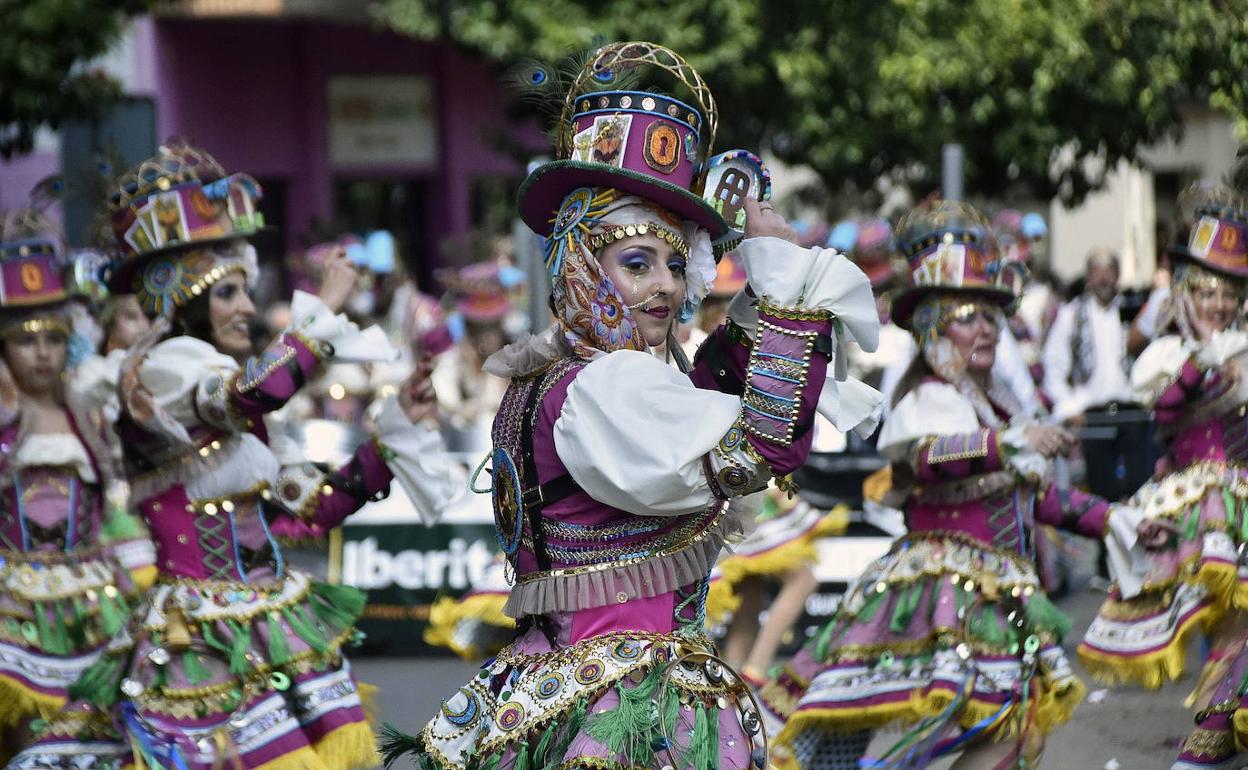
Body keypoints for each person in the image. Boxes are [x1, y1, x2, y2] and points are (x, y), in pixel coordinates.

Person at [380, 41, 882, 770]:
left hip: (557, 688)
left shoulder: (555, 376)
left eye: (677, 263)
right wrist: (791, 300)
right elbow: (753, 448)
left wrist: (757, 302)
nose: (667, 288)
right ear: (581, 265)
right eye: (637, 263)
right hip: (627, 703)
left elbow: (701, 397)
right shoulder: (601, 385)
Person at [9, 142, 458, 770]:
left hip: (270, 629)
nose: (246, 307)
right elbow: (262, 390)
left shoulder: (233, 420)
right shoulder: (162, 371)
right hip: (198, 640)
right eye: (228, 294)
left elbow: (309, 515)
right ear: (183, 300)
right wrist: (322, 310)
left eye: (247, 291)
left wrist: (394, 438)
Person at [759, 200, 1164, 770]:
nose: (986, 329)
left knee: (1016, 731)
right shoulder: (927, 398)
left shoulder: (988, 405)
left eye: (990, 317)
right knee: (861, 732)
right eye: (968, 316)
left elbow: (1040, 498)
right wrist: (1010, 445)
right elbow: (921, 461)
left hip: (998, 595)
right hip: (939, 589)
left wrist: (1119, 519)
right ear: (932, 326)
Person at [1076, 179, 1248, 770]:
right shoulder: (1167, 356)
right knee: (1231, 636)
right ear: (1181, 292)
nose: (1219, 305)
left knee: (1236, 641)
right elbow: (1166, 410)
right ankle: (1200, 753)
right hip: (1204, 509)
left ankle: (1206, 750)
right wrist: (1203, 357)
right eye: (1206, 291)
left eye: (1229, 293)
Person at [0, 208, 154, 762]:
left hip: (94, 601)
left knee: (94, 742)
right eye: (24, 340)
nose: (41, 353)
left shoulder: (90, 413)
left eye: (53, 338)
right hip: (11, 608)